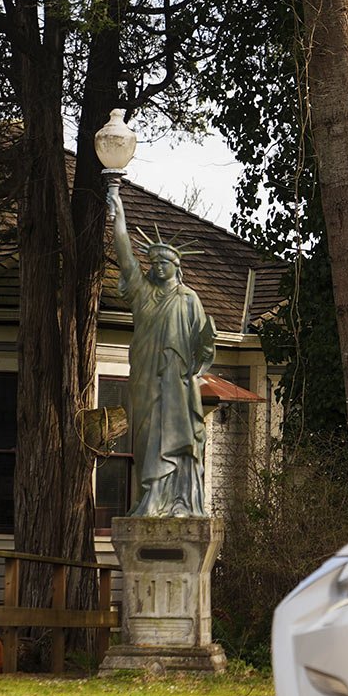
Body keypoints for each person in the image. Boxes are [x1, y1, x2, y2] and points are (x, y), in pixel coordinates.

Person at [108, 188, 216, 518]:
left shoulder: (188, 299)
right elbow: (126, 257)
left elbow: (203, 345)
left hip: (175, 384)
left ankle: (171, 498)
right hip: (144, 377)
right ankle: (150, 495)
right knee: (144, 439)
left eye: (163, 262)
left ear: (175, 266)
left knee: (171, 438)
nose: (156, 267)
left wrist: (201, 355)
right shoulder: (141, 293)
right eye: (152, 262)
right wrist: (119, 217)